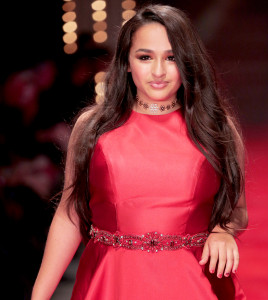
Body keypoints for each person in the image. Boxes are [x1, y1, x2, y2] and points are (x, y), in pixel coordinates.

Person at [31, 4, 248, 300]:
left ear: (188, 62)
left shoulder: (216, 129)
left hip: (191, 282)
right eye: (145, 57)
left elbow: (238, 211)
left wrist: (223, 230)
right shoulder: (93, 128)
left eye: (172, 58)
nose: (158, 71)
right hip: (111, 282)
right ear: (126, 62)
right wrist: (39, 295)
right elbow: (70, 213)